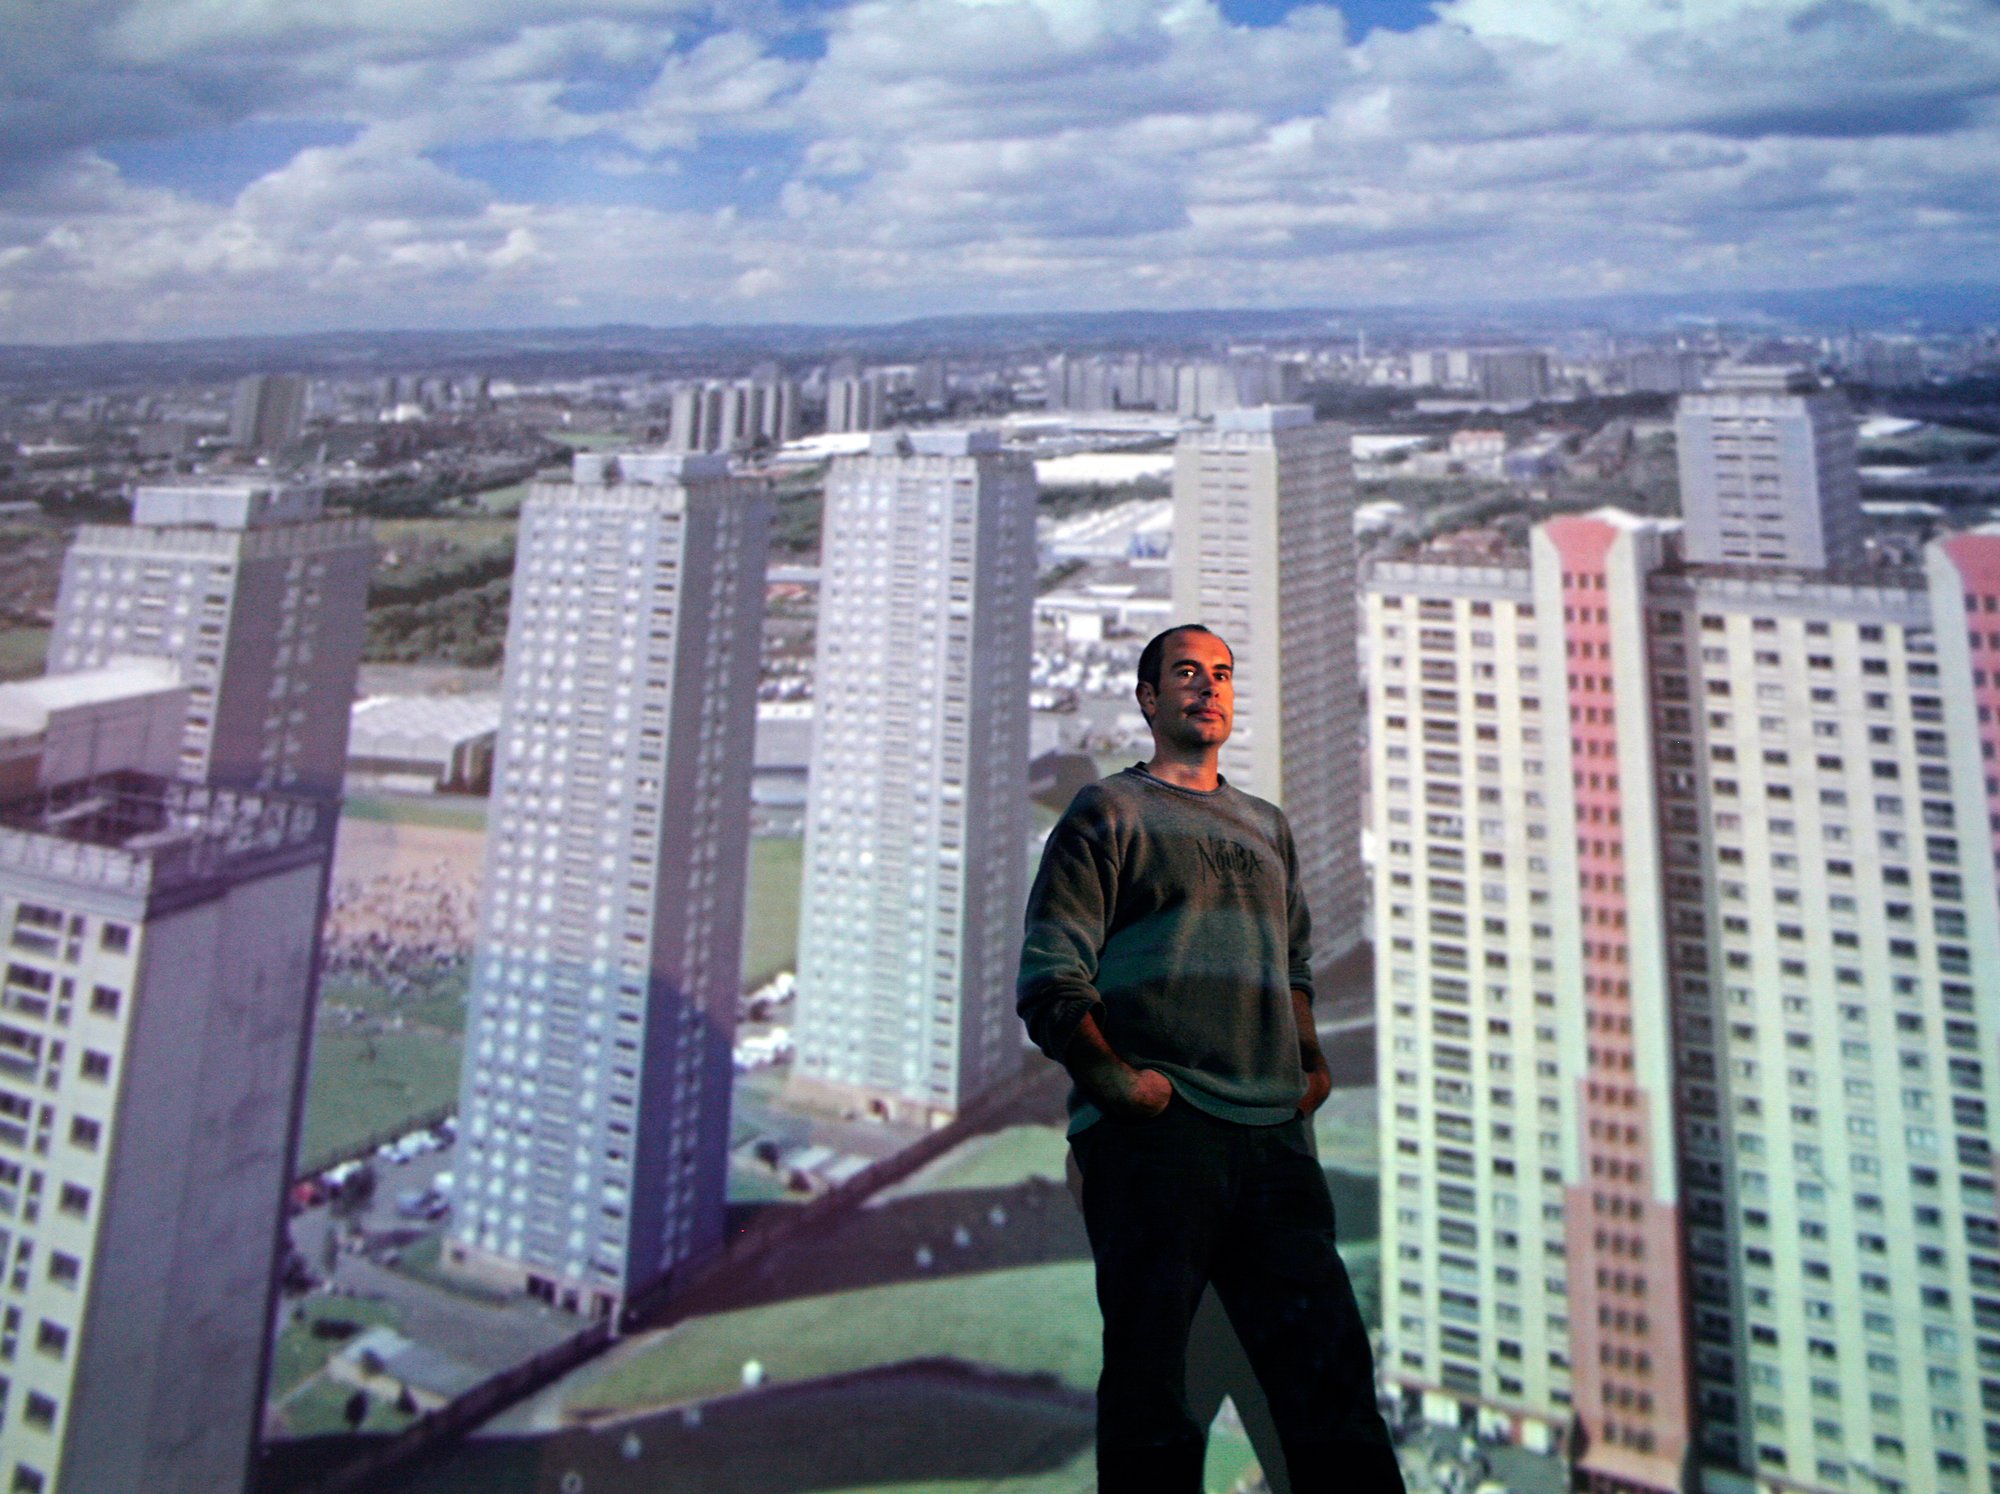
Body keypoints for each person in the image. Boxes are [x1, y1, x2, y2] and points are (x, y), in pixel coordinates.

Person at [1018, 624, 1404, 1494]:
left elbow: (1292, 966)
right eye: (1186, 672)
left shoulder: (1267, 826)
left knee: (1334, 1394)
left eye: (1222, 673)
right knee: (1156, 1400)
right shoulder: (1107, 811)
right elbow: (1051, 973)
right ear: (1148, 699)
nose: (1207, 686)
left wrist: (1310, 1064)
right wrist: (1120, 1088)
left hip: (1274, 1141)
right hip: (1161, 1137)